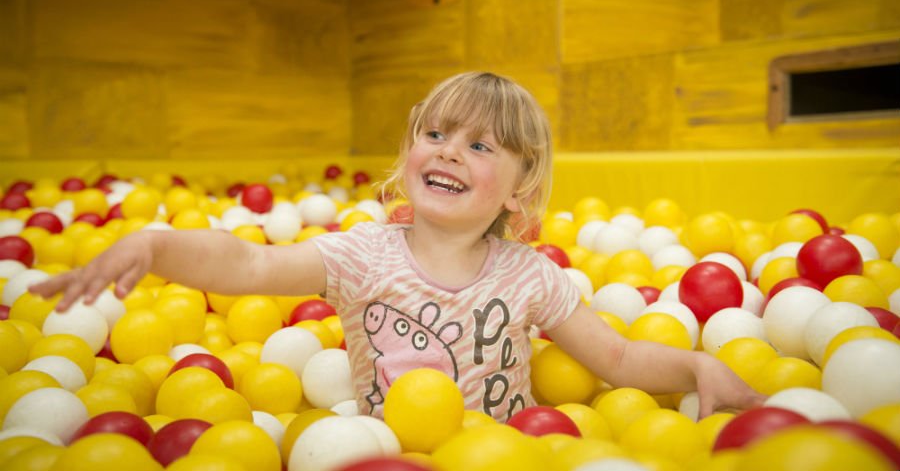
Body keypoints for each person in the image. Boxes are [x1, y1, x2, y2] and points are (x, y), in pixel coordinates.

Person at [30, 71, 764, 422]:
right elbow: (249, 264)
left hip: (502, 452)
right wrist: (155, 245)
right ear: (410, 150)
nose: (447, 152)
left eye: (479, 144)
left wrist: (698, 363)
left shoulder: (528, 275)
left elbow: (619, 359)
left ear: (518, 189)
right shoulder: (361, 255)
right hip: (377, 454)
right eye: (435, 134)